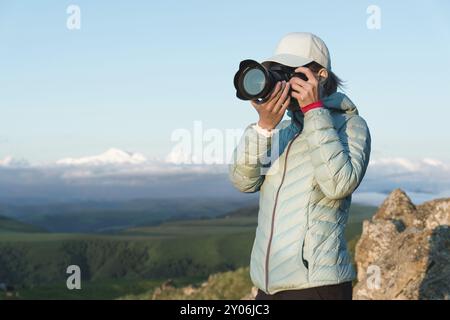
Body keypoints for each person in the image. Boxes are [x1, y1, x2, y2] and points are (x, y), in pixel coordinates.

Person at [229, 32, 371, 300]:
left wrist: (315, 111)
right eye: (277, 72)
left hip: (317, 285)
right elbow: (243, 182)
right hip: (267, 286)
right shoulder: (280, 132)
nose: (285, 81)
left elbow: (338, 184)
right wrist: (264, 128)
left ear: (321, 76)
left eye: (293, 72)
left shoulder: (351, 126)